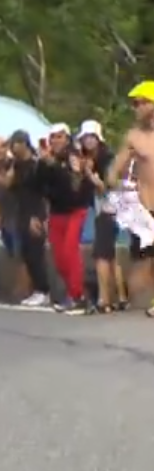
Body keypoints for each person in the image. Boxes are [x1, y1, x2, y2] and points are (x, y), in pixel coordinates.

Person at [0, 131, 52, 307]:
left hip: (35, 212)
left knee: (35, 253)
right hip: (21, 212)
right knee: (26, 252)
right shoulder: (17, 165)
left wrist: (39, 217)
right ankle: (37, 290)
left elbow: (42, 193)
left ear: (23, 144)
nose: (11, 149)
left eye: (13, 145)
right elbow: (9, 184)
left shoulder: (36, 165)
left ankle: (43, 290)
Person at [109, 81, 154, 314]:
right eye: (134, 104)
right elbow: (114, 170)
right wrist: (118, 188)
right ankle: (126, 293)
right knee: (142, 267)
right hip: (145, 208)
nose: (135, 108)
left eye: (139, 103)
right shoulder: (133, 136)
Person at [39, 123, 91, 312]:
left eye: (60, 136)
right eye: (53, 137)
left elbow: (74, 185)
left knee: (70, 251)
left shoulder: (74, 157)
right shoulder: (46, 160)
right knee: (60, 258)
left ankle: (77, 296)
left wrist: (54, 166)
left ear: (67, 139)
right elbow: (40, 186)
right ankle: (73, 292)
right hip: (56, 211)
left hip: (76, 209)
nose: (56, 140)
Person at [76, 120, 125, 313]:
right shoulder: (88, 159)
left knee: (101, 254)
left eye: (91, 137)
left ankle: (104, 299)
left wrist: (88, 172)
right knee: (110, 255)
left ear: (98, 139)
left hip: (110, 209)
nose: (88, 141)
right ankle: (120, 297)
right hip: (99, 210)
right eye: (85, 138)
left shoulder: (107, 158)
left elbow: (105, 186)